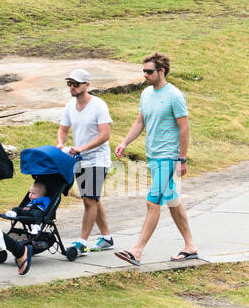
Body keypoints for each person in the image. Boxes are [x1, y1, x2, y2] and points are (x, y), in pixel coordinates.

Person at [112, 52, 198, 265]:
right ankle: (190, 246)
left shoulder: (174, 96)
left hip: (169, 158)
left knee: (153, 202)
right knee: (173, 201)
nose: (145, 75)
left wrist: (182, 159)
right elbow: (139, 122)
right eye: (143, 71)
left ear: (162, 71)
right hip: (153, 156)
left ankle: (137, 250)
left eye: (149, 71)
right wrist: (124, 142)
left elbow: (184, 129)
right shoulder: (146, 94)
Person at [56, 68, 113, 253]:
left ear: (86, 85)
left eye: (76, 84)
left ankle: (82, 241)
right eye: (69, 84)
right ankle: (106, 237)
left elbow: (105, 135)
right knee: (92, 199)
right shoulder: (69, 106)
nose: (72, 87)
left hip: (98, 158)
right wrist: (60, 144)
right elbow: (63, 129)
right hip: (79, 159)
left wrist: (83, 147)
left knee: (89, 199)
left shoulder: (99, 105)